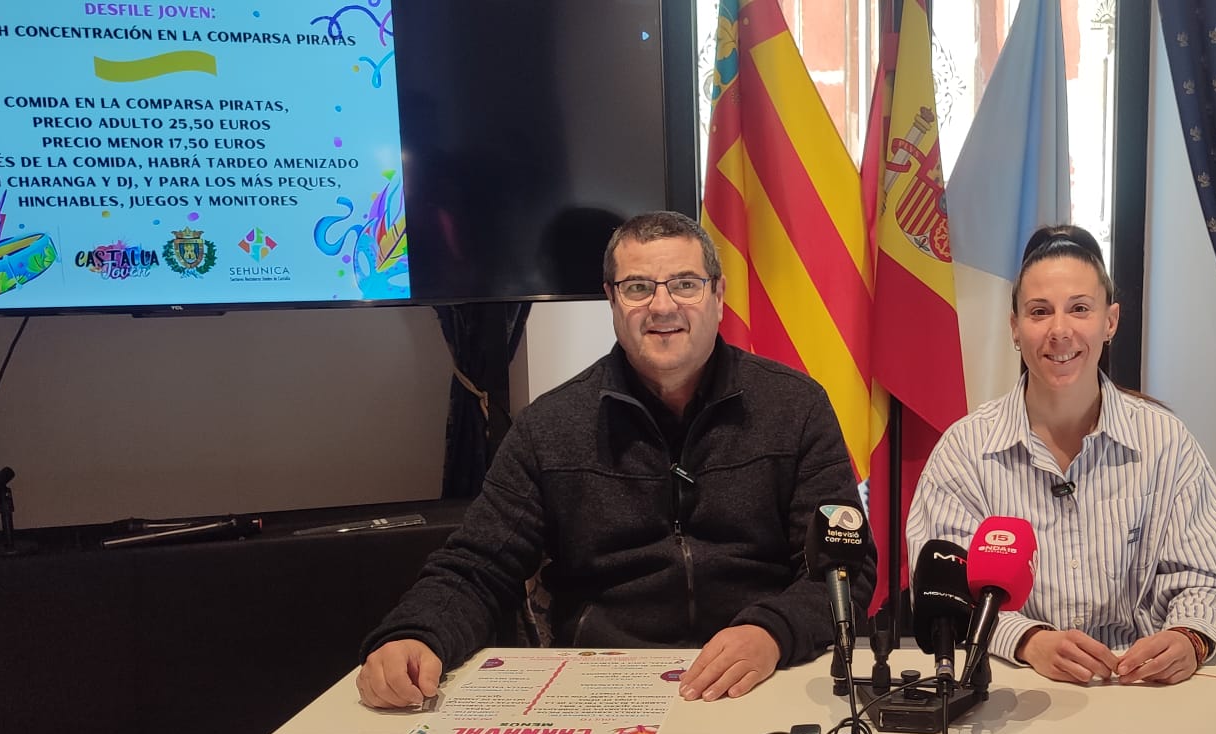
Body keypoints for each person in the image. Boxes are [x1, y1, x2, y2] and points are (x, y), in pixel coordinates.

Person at [358, 211, 871, 708]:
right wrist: (415, 634)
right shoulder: (549, 426)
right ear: (611, 299)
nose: (663, 306)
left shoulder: (797, 407)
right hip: (602, 685)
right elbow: (477, 567)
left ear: (718, 297)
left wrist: (772, 632)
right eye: (638, 287)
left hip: (765, 674)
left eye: (686, 284)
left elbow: (846, 569)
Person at [906, 225, 1216, 686]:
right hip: (1014, 687)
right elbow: (946, 594)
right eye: (1040, 311)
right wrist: (1028, 640)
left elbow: (1207, 578)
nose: (1060, 331)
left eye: (1080, 309)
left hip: (1139, 687)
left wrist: (1188, 637)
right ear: (1015, 328)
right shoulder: (964, 452)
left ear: (1110, 322)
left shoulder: (1166, 442)